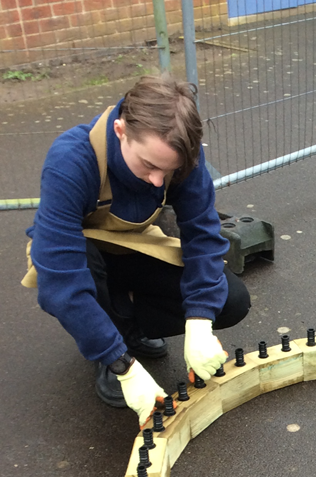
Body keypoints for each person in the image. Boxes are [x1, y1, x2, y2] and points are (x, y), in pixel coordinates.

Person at [24, 74, 250, 425]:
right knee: (81, 263)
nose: (159, 181)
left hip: (133, 247)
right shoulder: (71, 161)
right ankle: (114, 346)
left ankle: (128, 322)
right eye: (149, 166)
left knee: (232, 301)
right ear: (120, 131)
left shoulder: (180, 156)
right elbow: (60, 283)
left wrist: (200, 321)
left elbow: (203, 236)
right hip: (84, 261)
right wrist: (122, 364)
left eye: (168, 171)